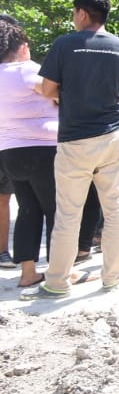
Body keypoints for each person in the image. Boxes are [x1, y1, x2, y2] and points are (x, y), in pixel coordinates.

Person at [26, 0, 119, 298]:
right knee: (115, 209)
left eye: (74, 13)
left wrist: (57, 92)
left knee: (69, 213)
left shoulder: (64, 44)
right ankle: (112, 277)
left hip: (76, 139)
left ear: (82, 14)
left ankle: (57, 281)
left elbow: (47, 90)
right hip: (114, 136)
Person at [0, 18, 61, 288]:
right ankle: (60, 271)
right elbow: (59, 93)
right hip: (42, 149)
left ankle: (28, 273)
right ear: (22, 46)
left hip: (10, 154)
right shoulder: (26, 70)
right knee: (56, 211)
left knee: (27, 210)